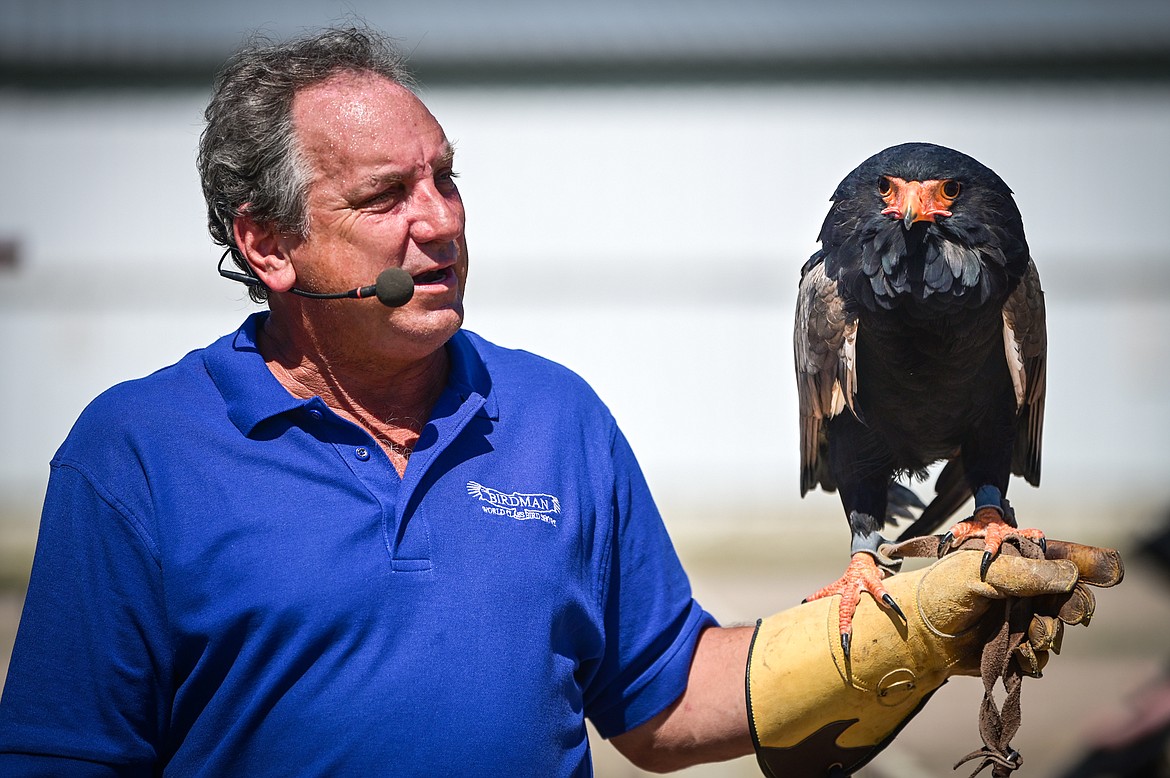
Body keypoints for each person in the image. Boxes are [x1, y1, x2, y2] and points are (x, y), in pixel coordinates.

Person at [0, 26, 1120, 777]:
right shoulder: (138, 455)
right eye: (386, 195)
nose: (437, 221)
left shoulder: (550, 417)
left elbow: (664, 697)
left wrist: (909, 634)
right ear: (267, 243)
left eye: (447, 178)